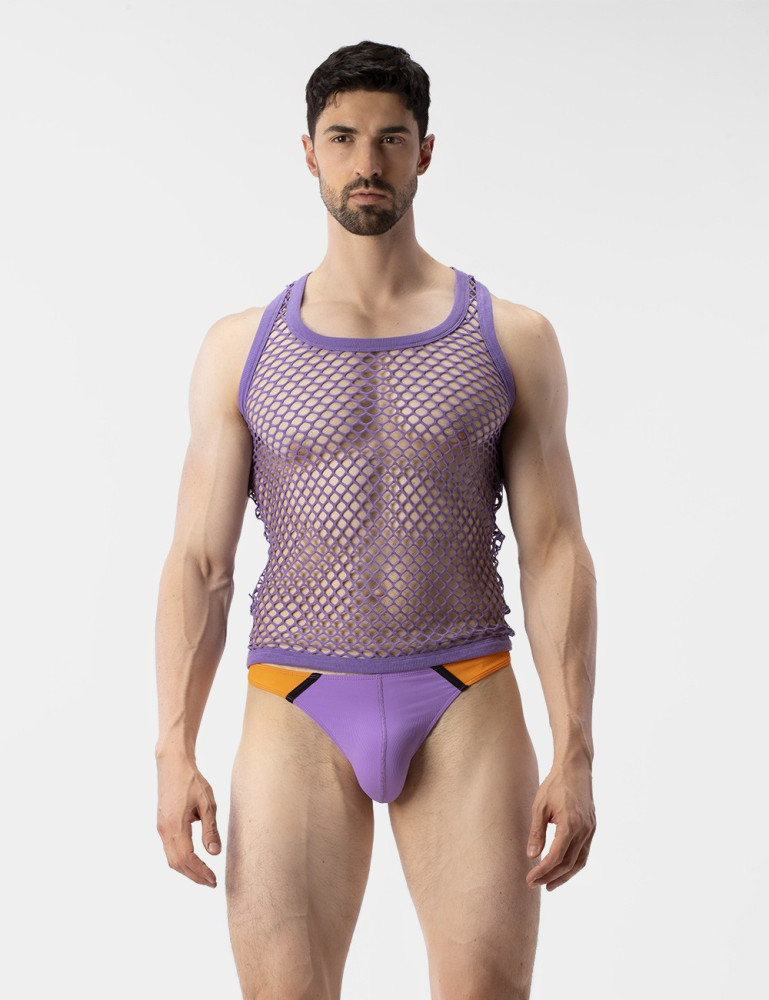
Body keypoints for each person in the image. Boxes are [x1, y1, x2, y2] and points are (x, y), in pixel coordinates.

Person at [155, 39, 597, 1000]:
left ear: (424, 152)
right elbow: (199, 563)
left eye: (391, 139)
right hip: (296, 697)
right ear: (307, 152)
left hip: (464, 692)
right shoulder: (241, 348)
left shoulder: (511, 336)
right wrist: (173, 749)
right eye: (343, 137)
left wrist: (575, 751)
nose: (367, 162)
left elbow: (554, 550)